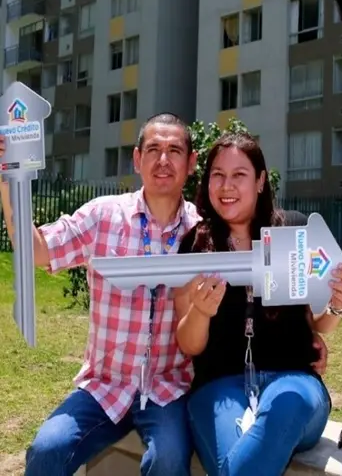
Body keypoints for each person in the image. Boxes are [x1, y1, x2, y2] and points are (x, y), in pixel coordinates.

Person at [2, 114, 198, 476]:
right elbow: (37, 250)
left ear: (191, 162)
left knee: (169, 460)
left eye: (174, 150)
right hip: (105, 386)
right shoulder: (104, 215)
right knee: (47, 450)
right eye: (153, 149)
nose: (163, 160)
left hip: (168, 389)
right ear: (137, 159)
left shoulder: (200, 231)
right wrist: (7, 179)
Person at [175, 132, 342, 476]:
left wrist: (338, 304)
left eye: (239, 175)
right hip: (219, 386)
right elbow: (188, 344)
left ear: (260, 181)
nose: (227, 186)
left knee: (285, 406)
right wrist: (201, 311)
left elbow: (316, 322)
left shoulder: (293, 230)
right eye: (218, 174)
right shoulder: (195, 246)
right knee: (239, 465)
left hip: (293, 380)